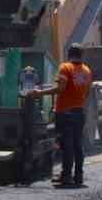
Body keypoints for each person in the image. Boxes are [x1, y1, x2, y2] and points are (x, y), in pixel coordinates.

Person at [30, 43, 94, 187]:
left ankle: (66, 176)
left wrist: (39, 93)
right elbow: (88, 92)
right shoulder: (87, 71)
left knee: (66, 145)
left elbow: (60, 88)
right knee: (78, 145)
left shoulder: (65, 67)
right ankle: (78, 176)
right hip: (79, 112)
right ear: (81, 55)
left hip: (65, 112)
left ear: (69, 54)